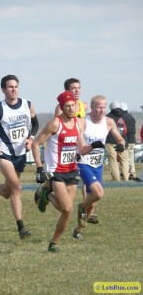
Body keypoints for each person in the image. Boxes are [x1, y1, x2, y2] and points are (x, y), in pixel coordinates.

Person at [31, 91, 104, 252]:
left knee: (67, 211)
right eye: (67, 106)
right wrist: (39, 168)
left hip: (72, 170)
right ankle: (47, 192)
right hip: (56, 171)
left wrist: (94, 146)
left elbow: (82, 148)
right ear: (62, 107)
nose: (71, 109)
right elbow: (35, 144)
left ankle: (53, 243)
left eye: (73, 105)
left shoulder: (79, 124)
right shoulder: (54, 124)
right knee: (67, 208)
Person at [0, 74, 39, 240]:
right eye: (10, 87)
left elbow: (36, 124)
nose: (14, 90)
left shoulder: (27, 105)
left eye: (16, 86)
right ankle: (21, 227)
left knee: (7, 192)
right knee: (17, 187)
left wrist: (31, 138)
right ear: (3, 90)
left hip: (20, 153)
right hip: (3, 152)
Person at [72, 95, 125, 239]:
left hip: (98, 164)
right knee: (99, 193)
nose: (102, 110)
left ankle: (78, 230)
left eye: (104, 107)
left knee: (93, 202)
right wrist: (92, 146)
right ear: (92, 107)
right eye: (98, 107)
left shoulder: (109, 122)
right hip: (83, 162)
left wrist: (121, 144)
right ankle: (81, 206)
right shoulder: (83, 122)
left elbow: (119, 138)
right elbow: (82, 146)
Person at [105, 101, 129, 181]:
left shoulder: (107, 117)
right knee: (124, 159)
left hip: (110, 140)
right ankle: (126, 178)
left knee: (113, 159)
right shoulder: (125, 116)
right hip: (122, 140)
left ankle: (116, 179)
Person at [121, 102, 142, 182]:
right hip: (132, 140)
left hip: (127, 140)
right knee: (131, 158)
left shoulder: (122, 118)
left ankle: (126, 173)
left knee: (125, 158)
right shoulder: (131, 117)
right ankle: (132, 172)